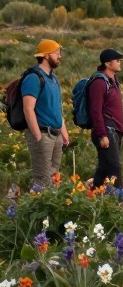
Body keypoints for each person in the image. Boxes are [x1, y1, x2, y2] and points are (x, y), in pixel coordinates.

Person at [22, 39, 70, 189]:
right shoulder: (33, 78)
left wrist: (64, 133)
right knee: (42, 179)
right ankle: (26, 208)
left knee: (54, 178)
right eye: (57, 53)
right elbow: (28, 109)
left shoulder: (53, 79)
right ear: (46, 55)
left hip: (56, 136)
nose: (59, 56)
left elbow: (56, 108)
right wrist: (37, 136)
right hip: (43, 134)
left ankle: (48, 210)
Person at [89, 48, 123, 188]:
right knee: (115, 169)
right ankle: (121, 202)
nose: (119, 62)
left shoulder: (113, 81)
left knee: (104, 169)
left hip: (114, 131)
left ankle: (91, 196)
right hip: (107, 130)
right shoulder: (99, 82)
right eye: (117, 60)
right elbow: (95, 111)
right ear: (108, 63)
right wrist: (102, 134)